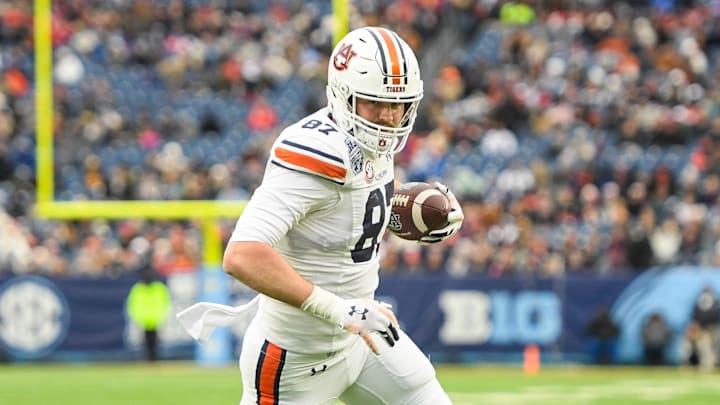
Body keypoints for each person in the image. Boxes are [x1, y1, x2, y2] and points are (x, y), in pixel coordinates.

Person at [180, 26, 463, 404]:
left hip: (363, 340)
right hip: (294, 362)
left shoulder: (372, 140)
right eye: (374, 102)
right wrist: (340, 308)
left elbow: (344, 212)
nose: (388, 117)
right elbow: (242, 254)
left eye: (398, 104)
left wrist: (406, 213)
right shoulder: (315, 152)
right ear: (343, 96)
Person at [126, 269, 172, 361]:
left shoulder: (157, 288)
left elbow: (165, 302)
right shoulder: (139, 288)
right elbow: (132, 304)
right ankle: (149, 359)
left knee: (155, 343)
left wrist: (162, 316)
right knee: (146, 343)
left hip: (155, 320)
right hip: (144, 320)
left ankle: (154, 359)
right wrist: (137, 317)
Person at [689, 285, 720, 371]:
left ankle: (712, 365)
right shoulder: (699, 304)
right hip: (702, 330)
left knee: (713, 347)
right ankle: (706, 365)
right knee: (704, 348)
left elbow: (716, 316)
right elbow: (695, 317)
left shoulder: (716, 304)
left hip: (713, 329)